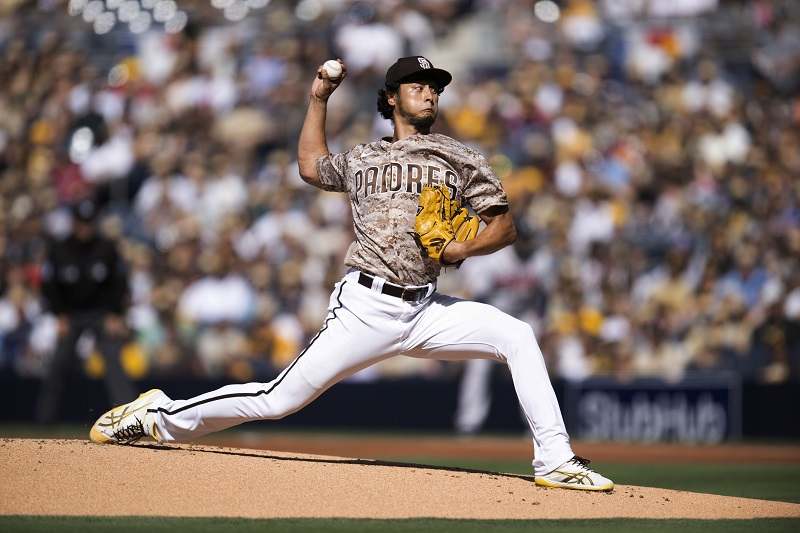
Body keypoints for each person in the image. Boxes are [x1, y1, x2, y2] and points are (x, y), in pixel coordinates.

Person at [90, 56, 614, 492]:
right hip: (364, 307)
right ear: (390, 98)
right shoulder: (363, 157)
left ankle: (556, 462)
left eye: (435, 87)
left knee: (517, 335)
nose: (429, 94)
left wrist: (461, 246)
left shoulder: (458, 156)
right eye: (417, 85)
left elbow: (504, 228)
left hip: (426, 308)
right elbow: (311, 166)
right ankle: (159, 415)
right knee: (277, 400)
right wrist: (318, 97)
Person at [37, 198, 137, 422]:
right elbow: (49, 285)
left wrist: (115, 314)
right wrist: (59, 314)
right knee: (59, 364)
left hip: (101, 314)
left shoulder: (107, 248)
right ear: (74, 223)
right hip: (71, 314)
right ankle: (45, 420)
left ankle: (129, 418)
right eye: (81, 223)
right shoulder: (59, 249)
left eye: (89, 223)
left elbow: (120, 283)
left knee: (112, 360)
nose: (85, 228)